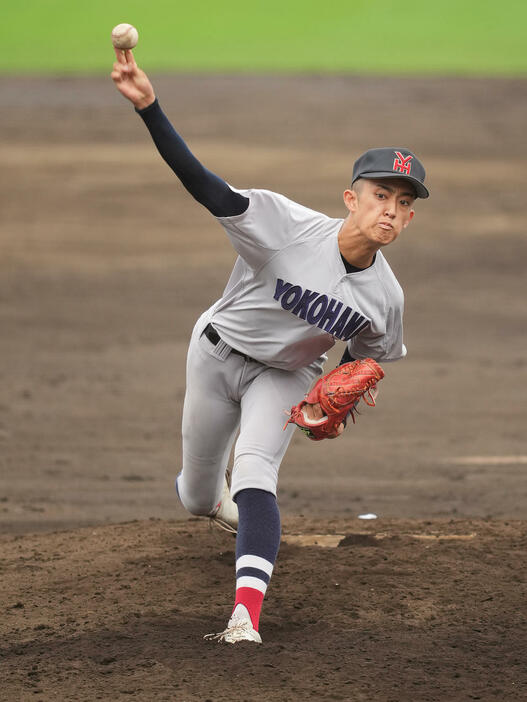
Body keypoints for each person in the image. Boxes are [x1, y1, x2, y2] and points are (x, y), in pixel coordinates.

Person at [111, 47, 429, 644]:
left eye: (404, 203)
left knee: (257, 472)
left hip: (284, 376)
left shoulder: (387, 297)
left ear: (409, 220)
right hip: (215, 352)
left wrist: (335, 391)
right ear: (351, 199)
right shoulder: (282, 225)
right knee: (197, 496)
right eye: (381, 196)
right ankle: (222, 507)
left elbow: (366, 357)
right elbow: (204, 185)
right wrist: (150, 108)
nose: (391, 210)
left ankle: (244, 617)